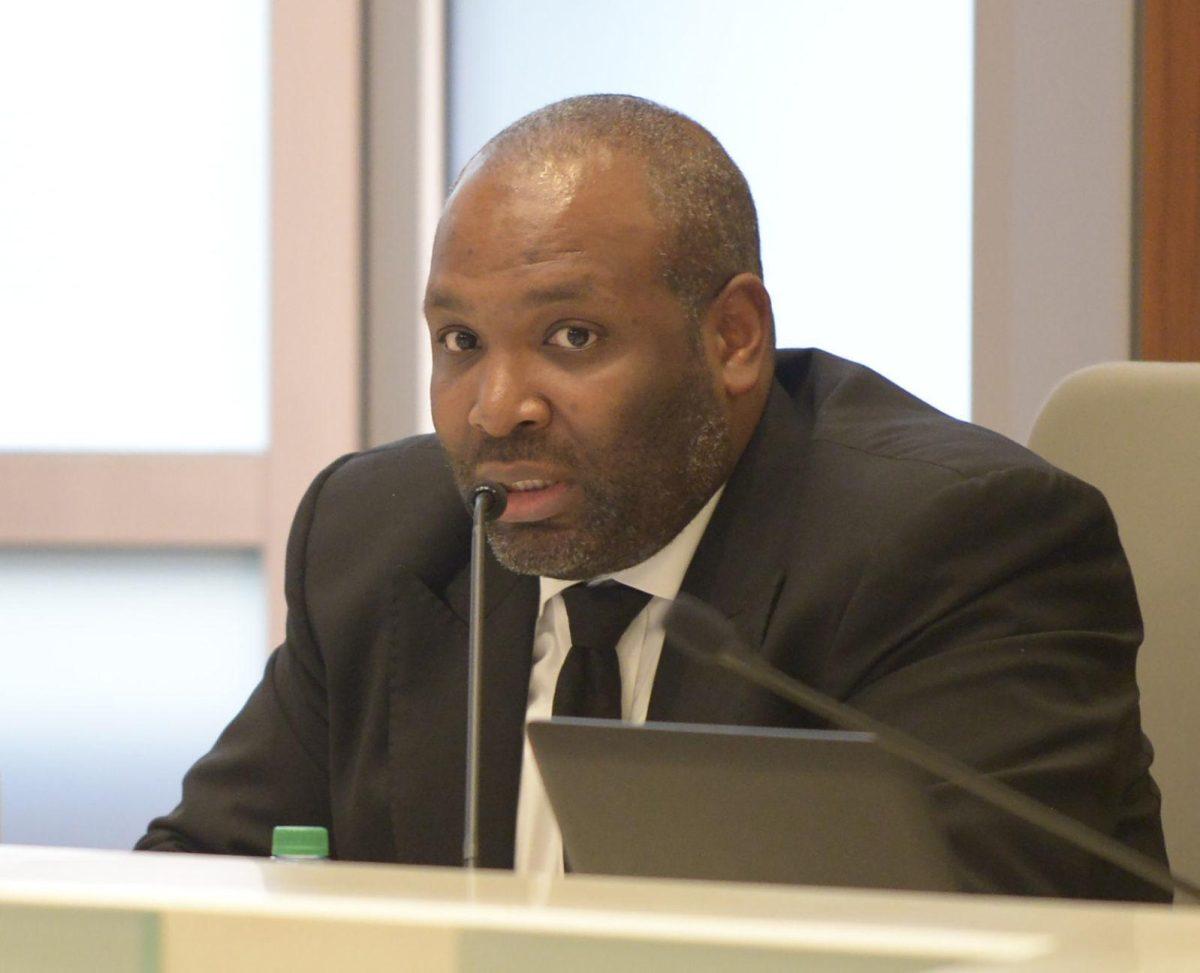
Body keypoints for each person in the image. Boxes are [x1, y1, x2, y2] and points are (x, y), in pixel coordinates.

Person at [138, 94, 1169, 900]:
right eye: (460, 343)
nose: (496, 409)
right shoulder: (381, 540)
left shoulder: (957, 548)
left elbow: (970, 940)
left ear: (732, 340)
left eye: (570, 338)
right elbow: (194, 888)